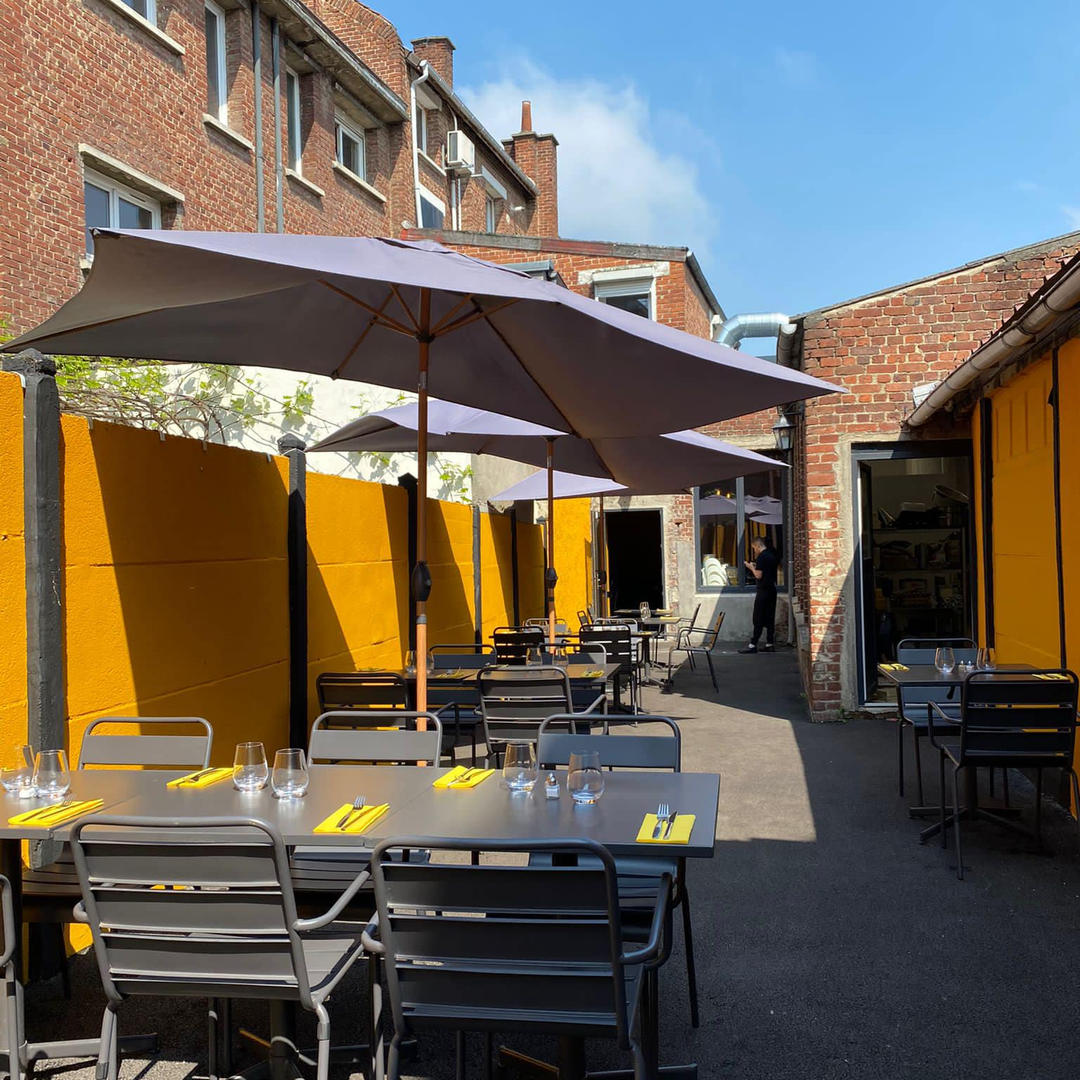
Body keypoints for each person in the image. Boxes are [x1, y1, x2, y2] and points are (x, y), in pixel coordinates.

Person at [739, 536, 778, 653]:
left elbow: (758, 575)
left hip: (763, 591)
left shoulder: (761, 557)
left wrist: (751, 567)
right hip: (772, 589)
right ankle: (769, 644)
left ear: (758, 545)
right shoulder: (772, 555)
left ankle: (752, 645)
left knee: (758, 618)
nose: (754, 550)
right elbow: (767, 572)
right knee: (770, 618)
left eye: (754, 548)